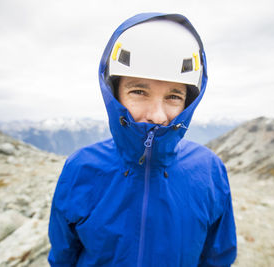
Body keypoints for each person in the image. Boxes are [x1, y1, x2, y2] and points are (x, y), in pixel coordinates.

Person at [48, 12, 237, 266]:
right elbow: (63, 256)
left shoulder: (210, 170)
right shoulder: (80, 168)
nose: (157, 116)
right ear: (114, 94)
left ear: (188, 102)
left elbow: (217, 258)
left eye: (173, 97)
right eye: (139, 91)